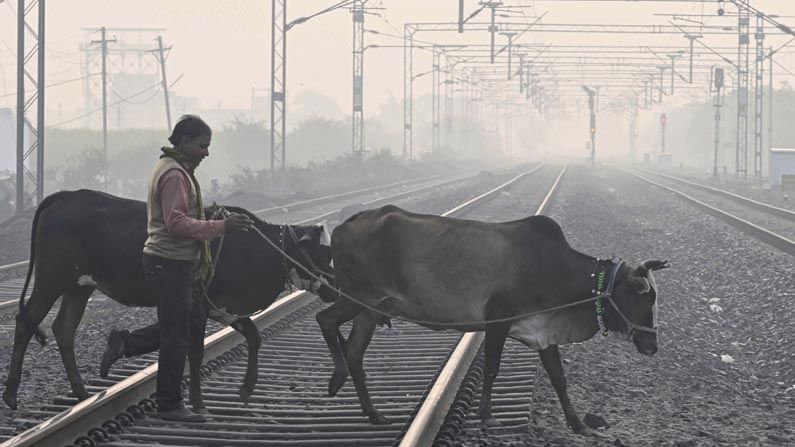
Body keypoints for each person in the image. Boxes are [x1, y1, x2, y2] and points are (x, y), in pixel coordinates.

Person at [100, 115, 253, 423]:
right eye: (202, 146)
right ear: (184, 142)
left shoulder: (176, 168)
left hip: (181, 265)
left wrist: (206, 213)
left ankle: (126, 342)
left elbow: (181, 212)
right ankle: (168, 405)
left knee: (190, 323)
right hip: (168, 264)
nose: (206, 153)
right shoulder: (174, 174)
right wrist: (222, 225)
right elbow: (176, 223)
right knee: (176, 338)